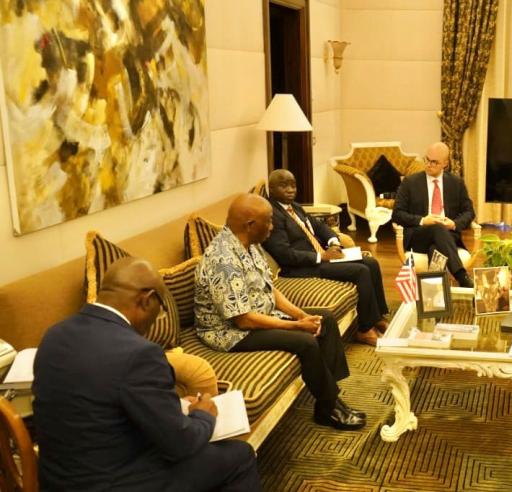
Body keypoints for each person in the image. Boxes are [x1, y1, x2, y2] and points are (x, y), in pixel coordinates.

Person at [33, 257, 260, 491]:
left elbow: (98, 405)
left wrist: (171, 406)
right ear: (147, 300)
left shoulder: (54, 335)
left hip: (57, 480)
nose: (156, 318)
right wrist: (204, 415)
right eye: (161, 309)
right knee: (239, 456)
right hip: (117, 482)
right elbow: (181, 444)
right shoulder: (140, 354)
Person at [195, 193, 366, 431]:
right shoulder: (223, 260)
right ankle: (328, 408)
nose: (273, 227)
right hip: (230, 333)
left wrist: (301, 315)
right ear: (250, 225)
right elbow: (243, 320)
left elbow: (269, 289)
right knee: (305, 341)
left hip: (256, 316)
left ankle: (330, 399)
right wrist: (297, 326)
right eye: (269, 221)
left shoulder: (249, 245)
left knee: (324, 320)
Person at [262, 169, 389, 347]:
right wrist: (321, 256)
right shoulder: (272, 215)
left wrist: (333, 242)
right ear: (272, 189)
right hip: (301, 267)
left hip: (322, 255)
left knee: (371, 262)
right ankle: (364, 330)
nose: (290, 190)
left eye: (293, 185)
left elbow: (319, 226)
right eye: (284, 186)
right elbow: (284, 254)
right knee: (360, 271)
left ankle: (377, 317)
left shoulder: (294, 207)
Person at [393, 142, 476, 287]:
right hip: (419, 236)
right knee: (437, 228)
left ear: (445, 163)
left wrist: (454, 224)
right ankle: (462, 277)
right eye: (427, 159)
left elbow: (469, 212)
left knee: (436, 249)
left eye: (434, 162)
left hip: (447, 236)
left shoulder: (456, 183)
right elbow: (397, 214)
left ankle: (435, 294)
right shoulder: (410, 182)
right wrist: (423, 220)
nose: (429, 165)